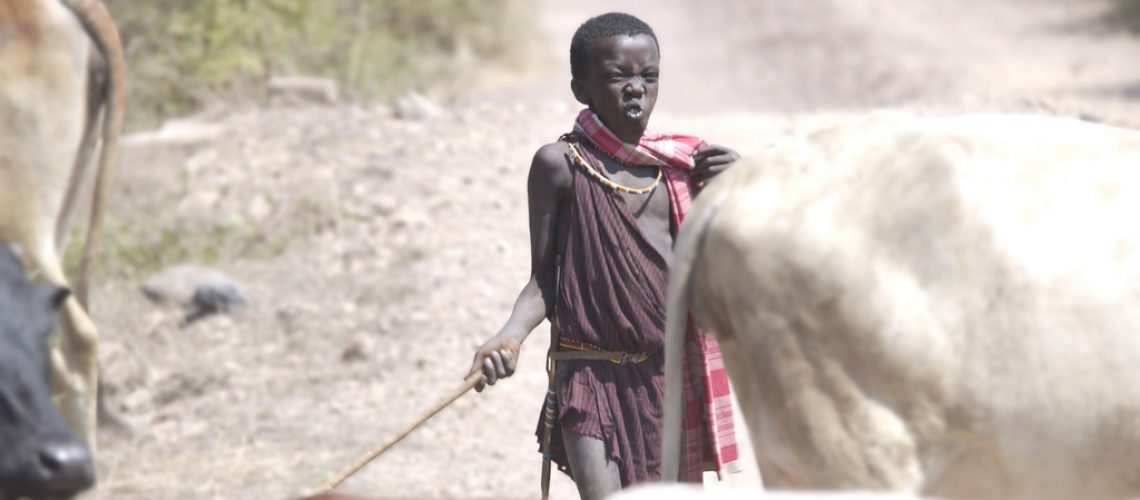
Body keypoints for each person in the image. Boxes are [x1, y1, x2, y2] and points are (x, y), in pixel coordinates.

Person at [468, 12, 741, 500]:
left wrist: (742, 185)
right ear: (581, 88)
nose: (636, 88)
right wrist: (507, 337)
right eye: (618, 76)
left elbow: (733, 270)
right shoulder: (560, 166)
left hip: (665, 378)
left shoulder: (680, 172)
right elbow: (542, 283)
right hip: (588, 375)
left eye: (648, 76)